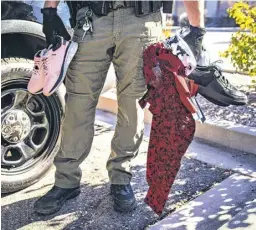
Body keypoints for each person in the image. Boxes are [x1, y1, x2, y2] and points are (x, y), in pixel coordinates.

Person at [33, 0, 244, 216]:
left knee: (131, 104)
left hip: (141, 20)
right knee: (78, 101)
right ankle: (66, 181)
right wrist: (50, 8)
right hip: (91, 20)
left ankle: (121, 177)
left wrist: (197, 28)